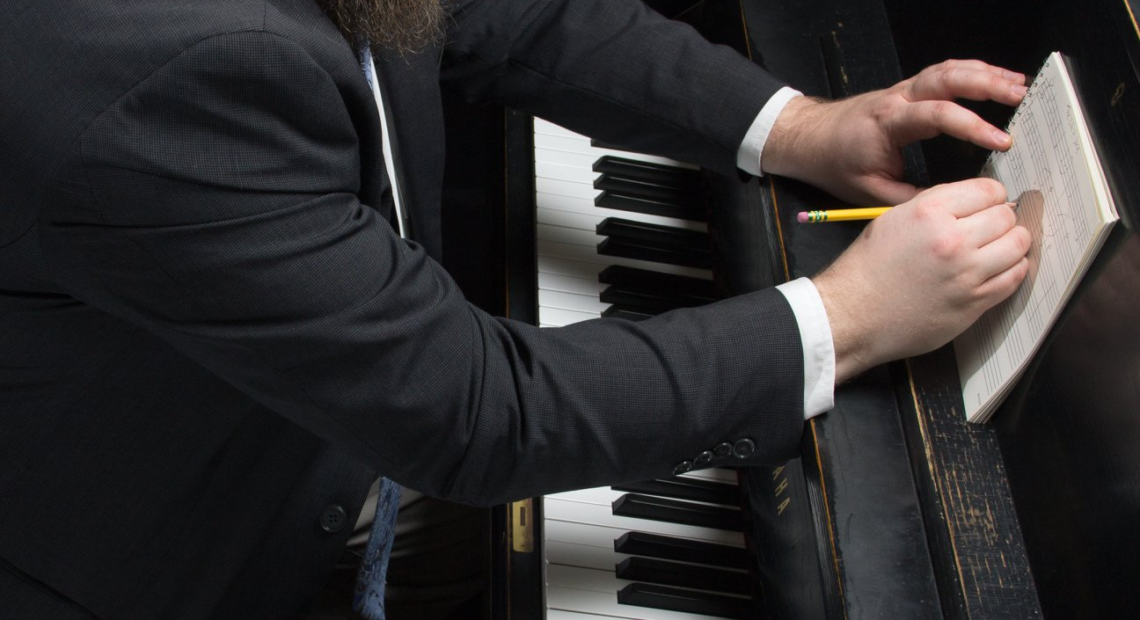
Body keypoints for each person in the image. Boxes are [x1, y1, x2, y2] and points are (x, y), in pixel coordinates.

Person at [0, 0, 1031, 619]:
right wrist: (848, 310)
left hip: (341, 439)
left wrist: (802, 123)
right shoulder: (149, 77)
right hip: (190, 551)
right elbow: (476, 409)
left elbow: (515, 13)